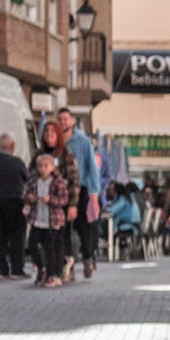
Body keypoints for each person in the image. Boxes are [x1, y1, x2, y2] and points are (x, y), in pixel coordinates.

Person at [52, 107, 100, 276]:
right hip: (61, 189)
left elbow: (92, 167)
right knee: (62, 228)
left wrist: (94, 192)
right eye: (60, 119)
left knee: (83, 227)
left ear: (71, 121)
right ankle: (68, 264)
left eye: (65, 119)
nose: (62, 122)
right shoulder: (55, 140)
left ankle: (88, 257)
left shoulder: (83, 141)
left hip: (82, 189)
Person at [25, 151, 73, 287]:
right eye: (40, 166)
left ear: (52, 167)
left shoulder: (58, 182)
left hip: (52, 221)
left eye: (46, 166)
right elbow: (26, 194)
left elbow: (64, 199)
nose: (42, 169)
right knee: (32, 245)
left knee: (50, 248)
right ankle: (42, 268)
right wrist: (30, 198)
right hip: (37, 219)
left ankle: (51, 275)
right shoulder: (34, 181)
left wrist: (51, 199)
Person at [0, 132, 30, 278]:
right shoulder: (17, 162)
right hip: (14, 202)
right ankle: (17, 269)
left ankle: (2, 269)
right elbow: (27, 179)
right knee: (17, 237)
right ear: (12, 146)